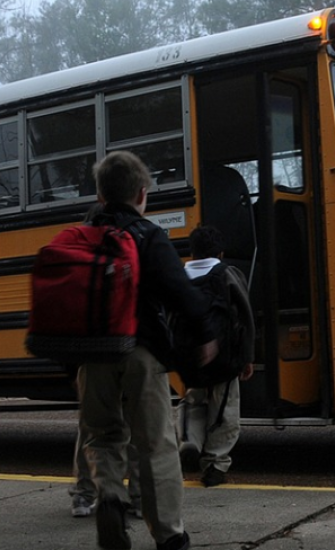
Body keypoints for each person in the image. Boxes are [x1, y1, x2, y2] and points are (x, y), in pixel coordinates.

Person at [77, 150, 211, 550]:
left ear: (101, 197)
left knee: (102, 436)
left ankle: (111, 502)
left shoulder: (81, 239)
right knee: (155, 445)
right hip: (141, 350)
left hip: (92, 356)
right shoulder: (148, 235)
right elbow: (180, 292)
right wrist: (204, 335)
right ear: (141, 193)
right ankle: (169, 535)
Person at [70, 202, 140, 520]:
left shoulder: (74, 252)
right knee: (136, 427)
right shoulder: (131, 243)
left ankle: (85, 495)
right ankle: (137, 498)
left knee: (93, 430)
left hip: (89, 355)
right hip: (129, 347)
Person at [176, 224, 255, 487]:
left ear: (193, 251)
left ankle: (189, 440)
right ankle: (215, 464)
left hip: (190, 359)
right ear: (220, 252)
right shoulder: (228, 274)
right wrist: (246, 357)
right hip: (224, 358)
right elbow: (245, 317)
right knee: (224, 409)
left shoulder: (179, 276)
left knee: (193, 401)